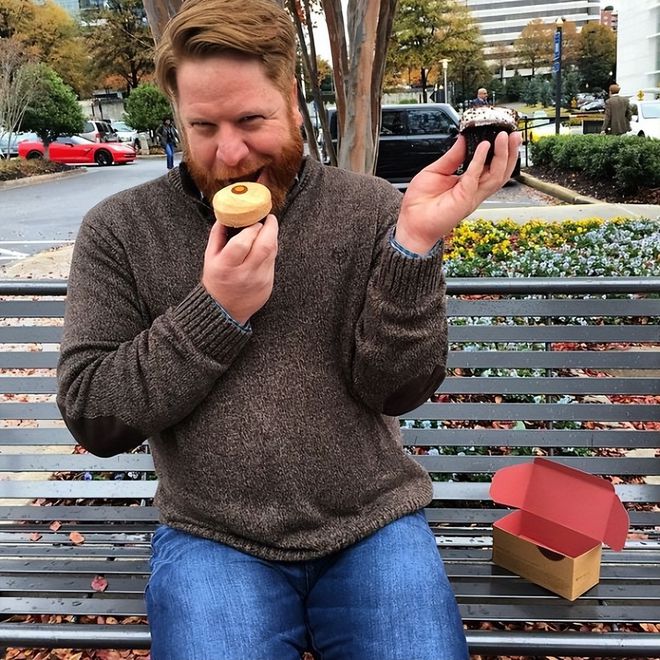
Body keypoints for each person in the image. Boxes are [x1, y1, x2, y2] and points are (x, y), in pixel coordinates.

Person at [56, 0, 520, 657]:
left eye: (251, 120)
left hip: (371, 523)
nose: (231, 153)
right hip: (211, 535)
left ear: (294, 104)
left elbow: (398, 389)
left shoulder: (367, 210)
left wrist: (413, 245)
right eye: (203, 127)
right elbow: (92, 415)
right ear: (178, 120)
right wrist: (215, 311)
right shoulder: (121, 231)